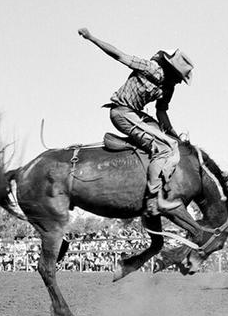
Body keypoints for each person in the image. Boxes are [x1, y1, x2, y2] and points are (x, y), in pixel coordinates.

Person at [77, 28, 194, 216]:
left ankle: (154, 179)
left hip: (137, 114)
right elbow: (118, 55)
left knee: (171, 142)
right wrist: (91, 37)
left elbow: (161, 111)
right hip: (122, 112)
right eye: (180, 78)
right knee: (165, 148)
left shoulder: (168, 88)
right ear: (172, 71)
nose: (180, 82)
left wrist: (173, 133)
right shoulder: (149, 68)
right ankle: (155, 199)